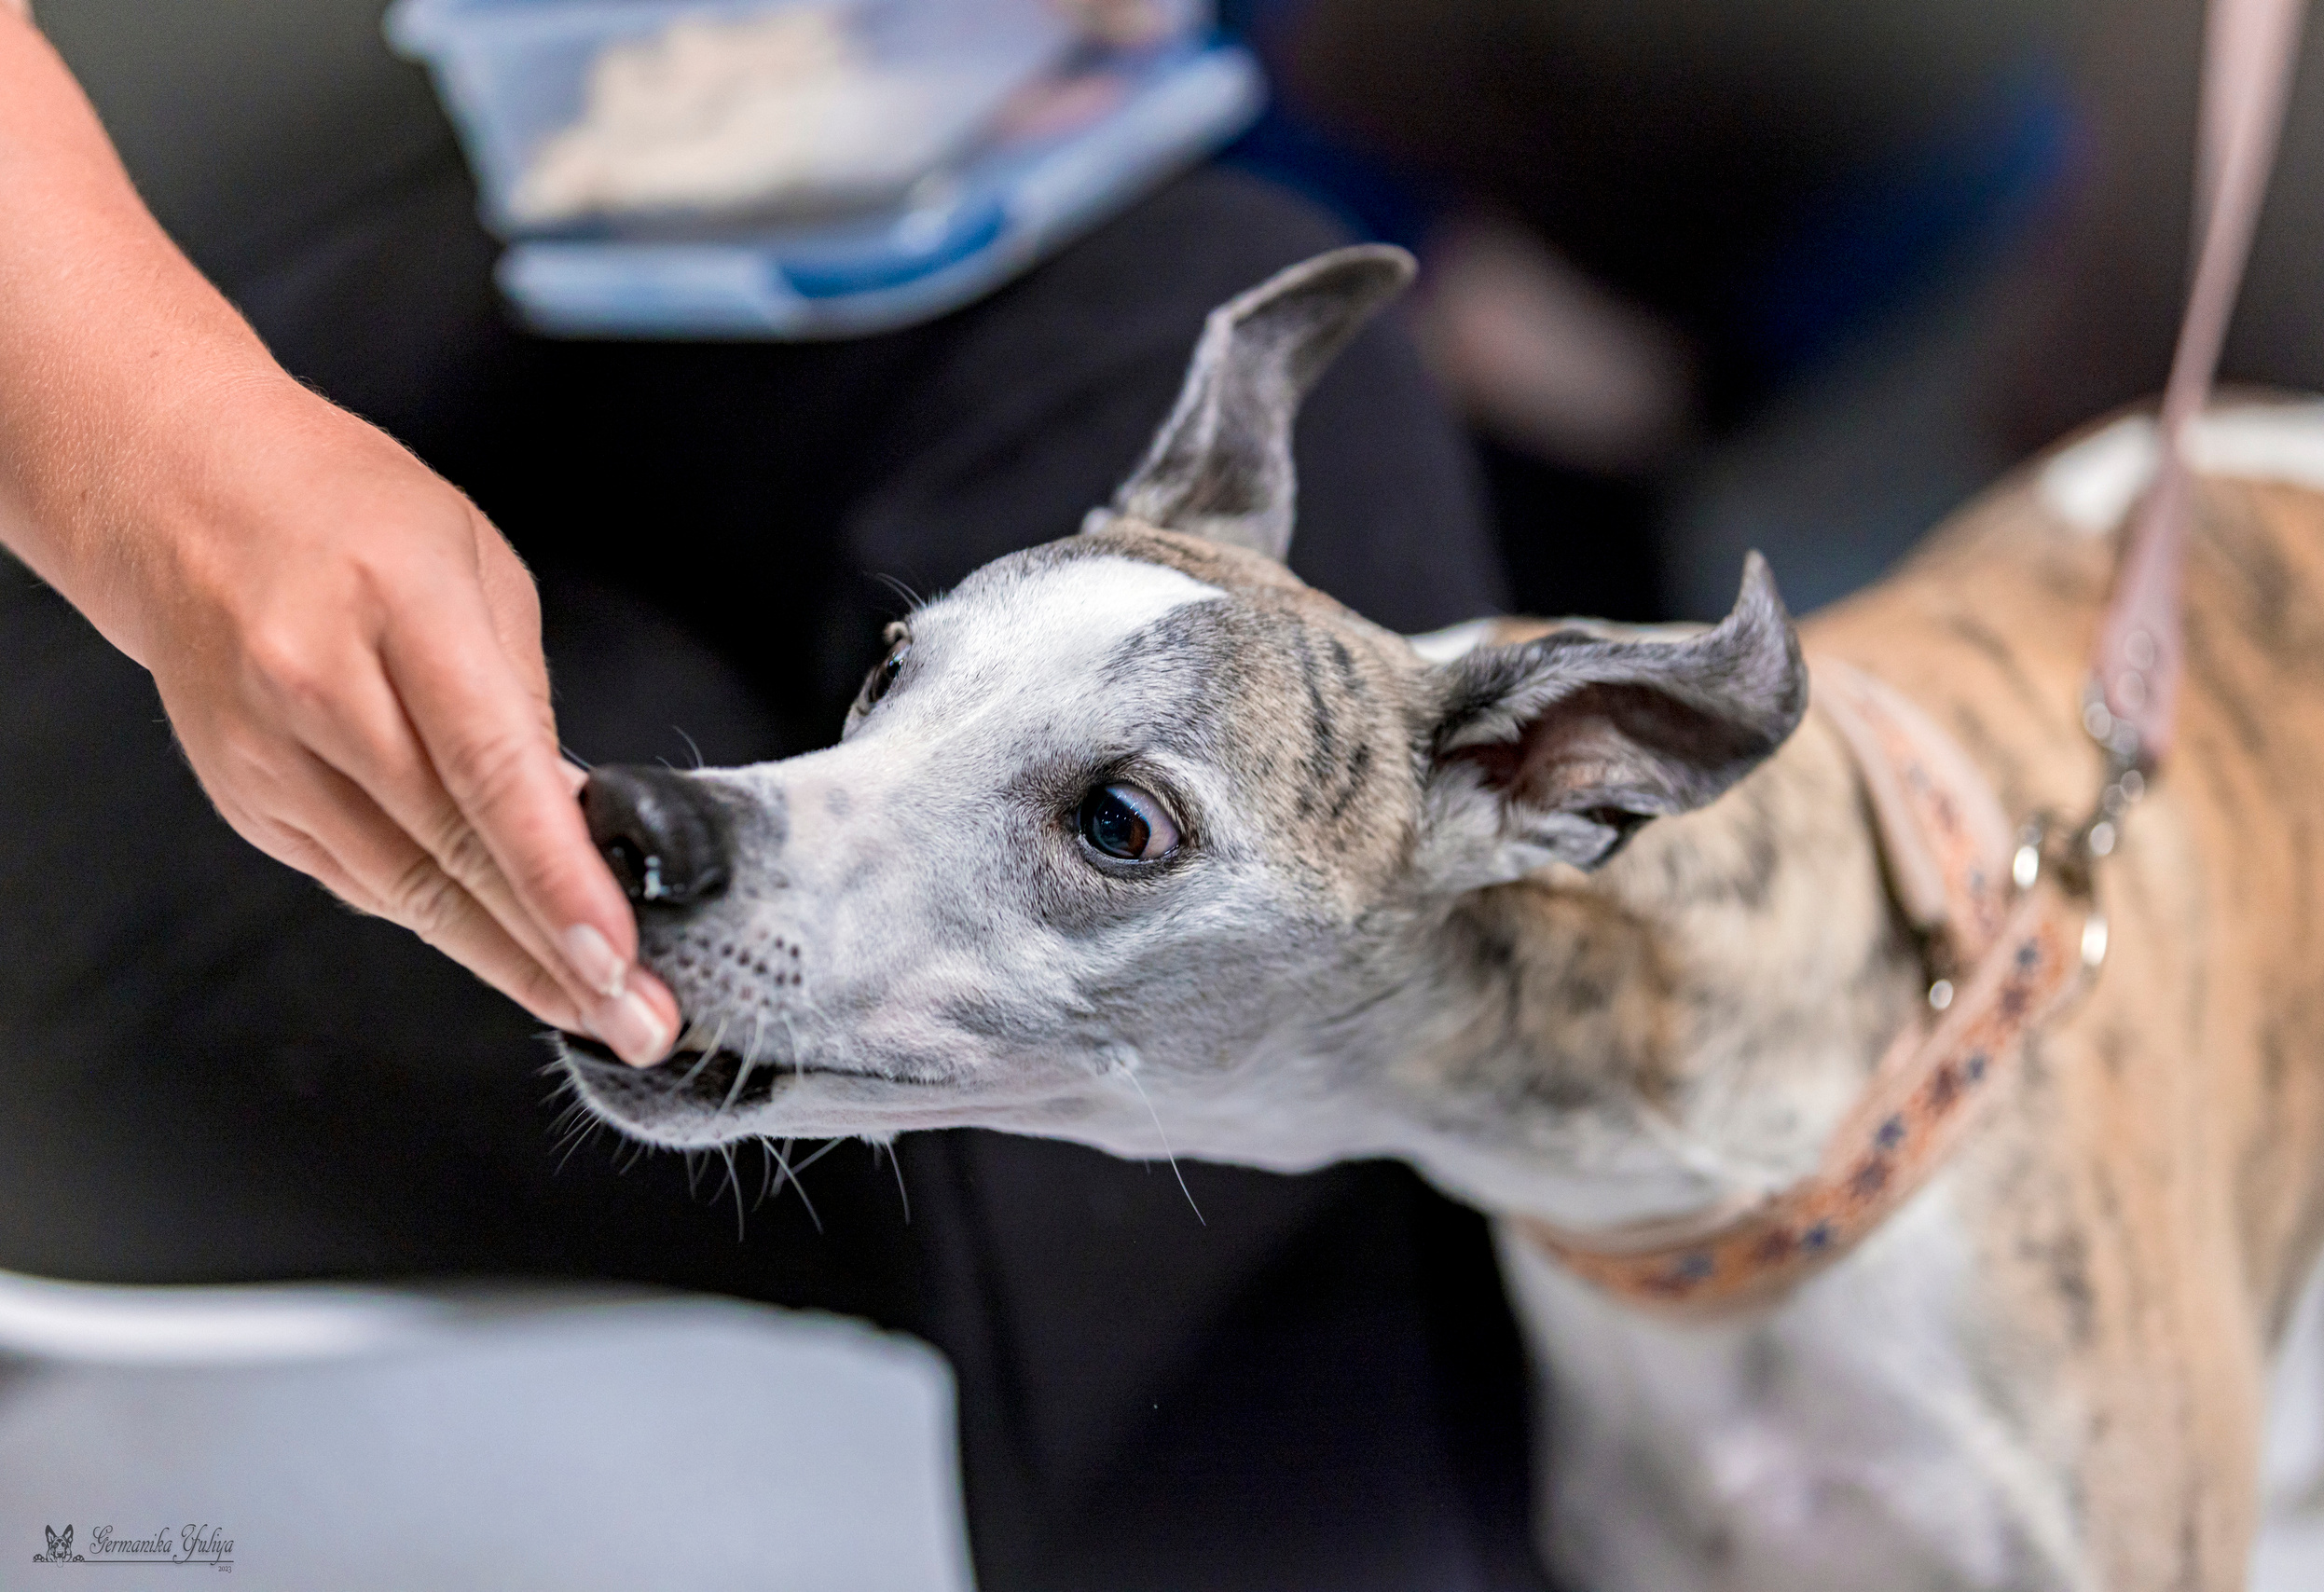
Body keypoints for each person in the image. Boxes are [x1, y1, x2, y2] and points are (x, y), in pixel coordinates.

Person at [0, 4, 1541, 1585]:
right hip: (79, 393)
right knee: (1147, 1111)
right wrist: (164, 470)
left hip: (567, 182)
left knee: (1236, 314)